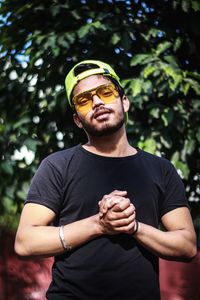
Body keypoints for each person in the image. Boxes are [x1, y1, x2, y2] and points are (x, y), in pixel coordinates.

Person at [15, 59, 197, 300]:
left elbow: (187, 246)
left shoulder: (161, 169)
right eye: (84, 100)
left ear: (124, 101)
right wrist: (99, 225)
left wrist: (133, 227)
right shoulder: (57, 166)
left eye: (106, 92)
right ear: (78, 120)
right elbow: (25, 242)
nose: (97, 102)